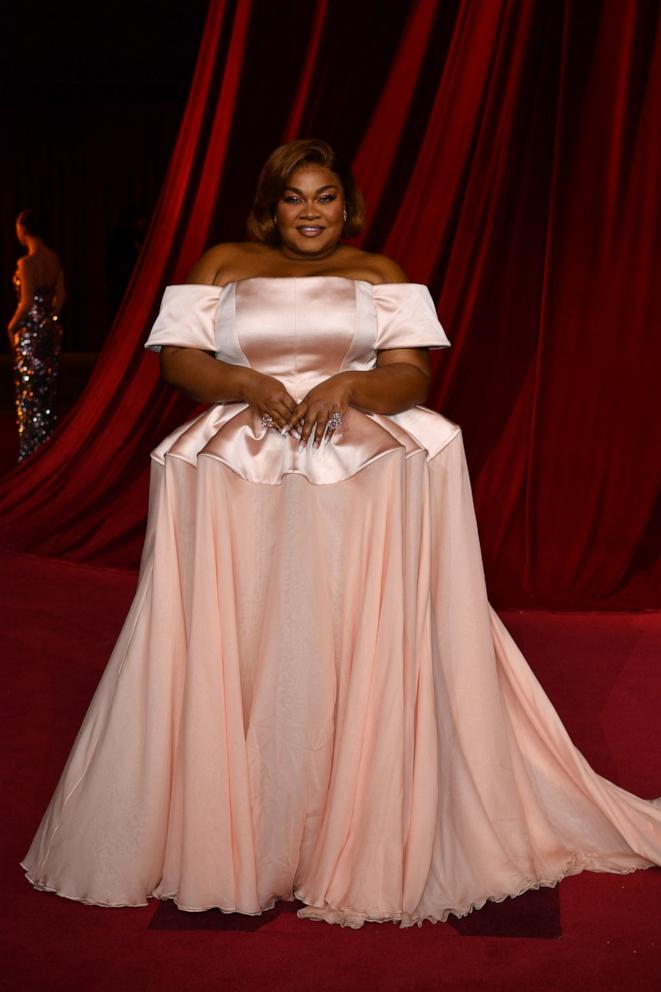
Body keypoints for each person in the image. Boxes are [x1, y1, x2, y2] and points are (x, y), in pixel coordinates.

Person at [19, 139, 661, 928]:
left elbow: (413, 375)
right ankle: (241, 823)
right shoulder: (223, 261)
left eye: (325, 197)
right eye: (295, 198)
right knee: (249, 628)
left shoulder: (379, 273)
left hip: (355, 468)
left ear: (345, 206)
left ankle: (359, 820)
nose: (311, 213)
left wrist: (353, 382)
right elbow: (178, 363)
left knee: (344, 623)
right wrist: (245, 381)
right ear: (271, 206)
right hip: (237, 465)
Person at [8, 209, 66, 462]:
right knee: (45, 391)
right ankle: (47, 449)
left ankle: (30, 454)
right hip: (49, 331)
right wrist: (48, 320)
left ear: (23, 227)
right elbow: (61, 297)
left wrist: (11, 327)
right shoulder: (54, 258)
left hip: (30, 332)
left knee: (29, 394)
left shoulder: (26, 263)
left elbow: (26, 301)